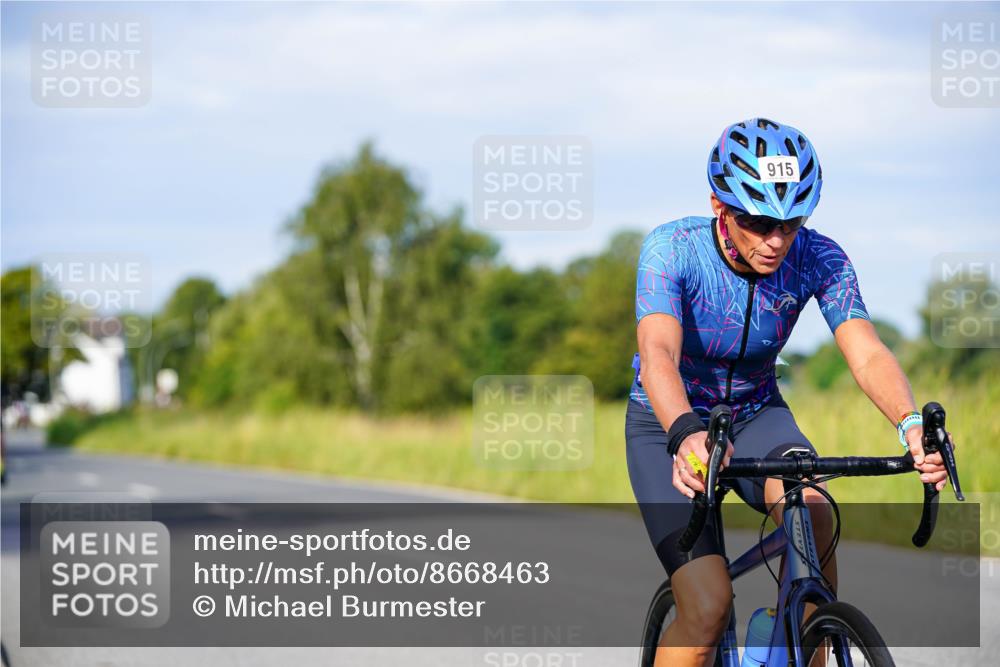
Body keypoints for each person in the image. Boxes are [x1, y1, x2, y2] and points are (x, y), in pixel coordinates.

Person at [626, 118, 954, 667]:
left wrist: (910, 423)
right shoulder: (671, 249)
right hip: (669, 420)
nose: (777, 240)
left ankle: (806, 648)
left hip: (756, 414)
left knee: (817, 510)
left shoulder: (820, 257)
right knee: (707, 608)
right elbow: (659, 352)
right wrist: (684, 434)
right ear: (718, 204)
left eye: (792, 221)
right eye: (757, 221)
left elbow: (867, 351)